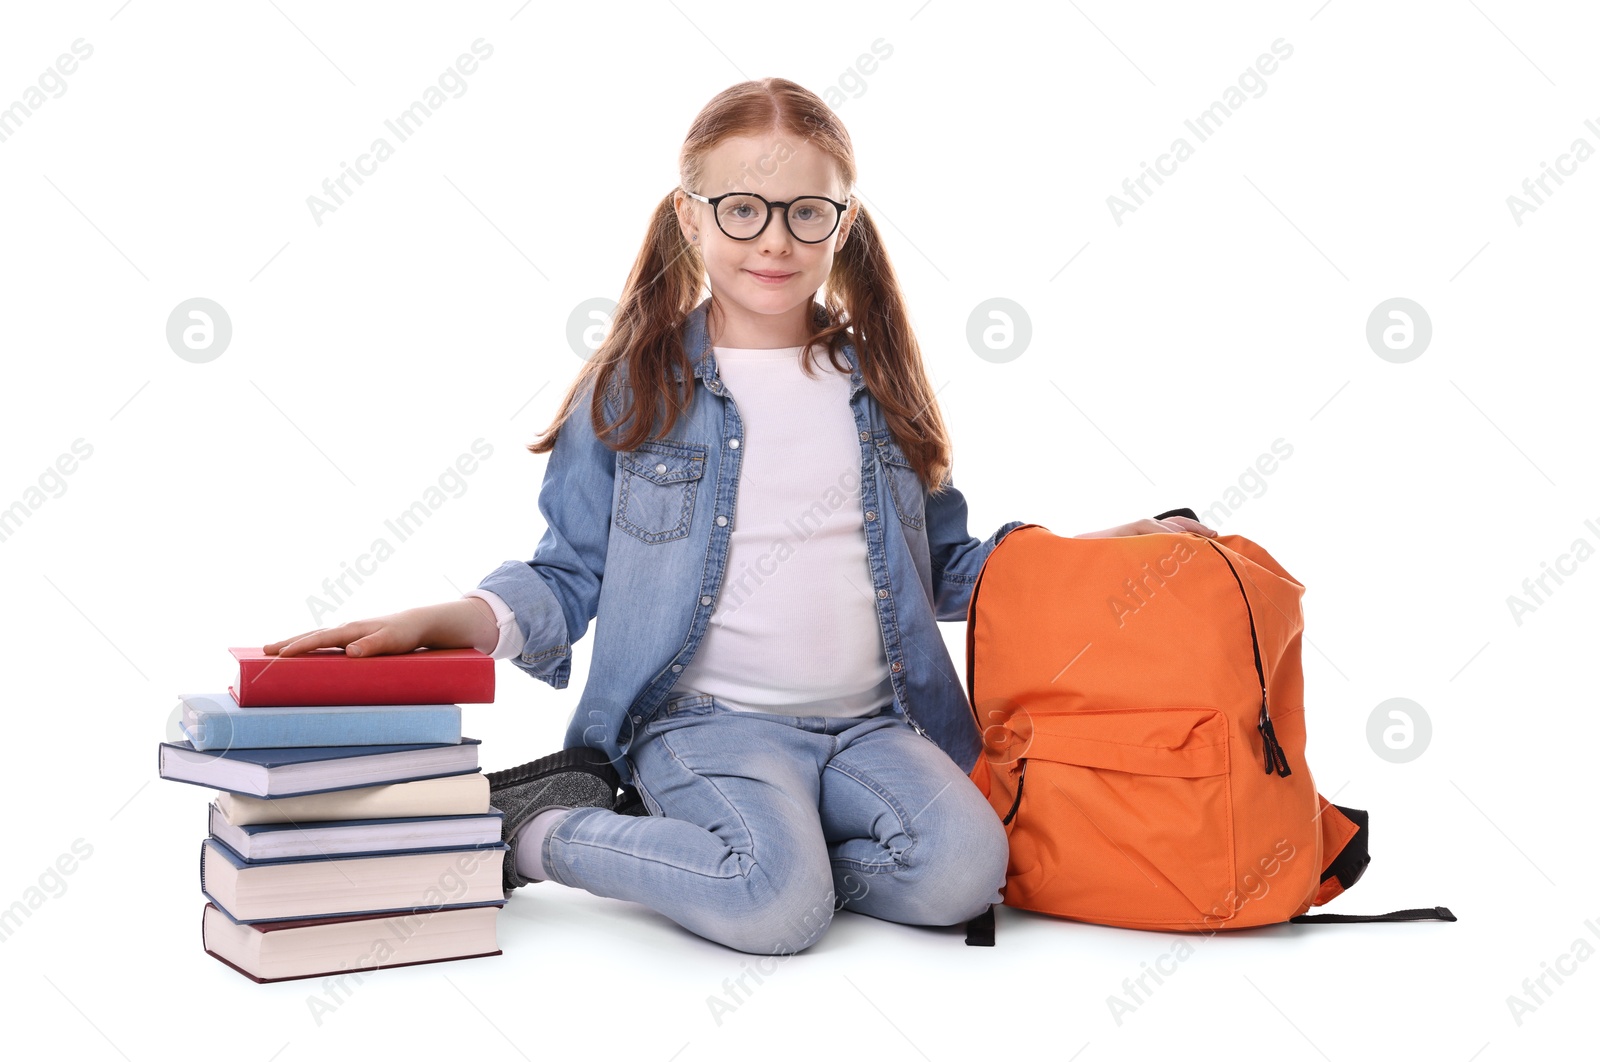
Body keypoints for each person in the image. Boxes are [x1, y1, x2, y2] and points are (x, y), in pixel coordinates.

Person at [265, 77, 1216, 956]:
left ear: (842, 223)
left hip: (872, 727)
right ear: (691, 216)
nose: (776, 240)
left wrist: (1098, 553)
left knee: (969, 872)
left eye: (808, 213)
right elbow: (571, 574)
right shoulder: (635, 390)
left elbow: (947, 566)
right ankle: (541, 833)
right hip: (706, 725)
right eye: (744, 209)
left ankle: (754, 861)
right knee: (777, 910)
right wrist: (453, 620)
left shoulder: (878, 387)